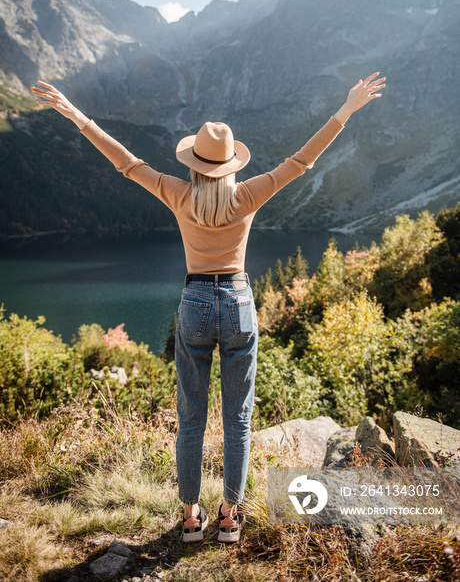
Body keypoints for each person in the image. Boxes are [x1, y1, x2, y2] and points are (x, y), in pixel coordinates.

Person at [31, 72, 385, 543]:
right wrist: (345, 110)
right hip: (238, 301)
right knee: (238, 420)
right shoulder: (247, 195)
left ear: (195, 164)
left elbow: (127, 163)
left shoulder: (179, 194)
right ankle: (230, 517)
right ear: (231, 164)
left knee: (191, 417)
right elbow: (301, 161)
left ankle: (192, 517)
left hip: (195, 300)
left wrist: (74, 114)